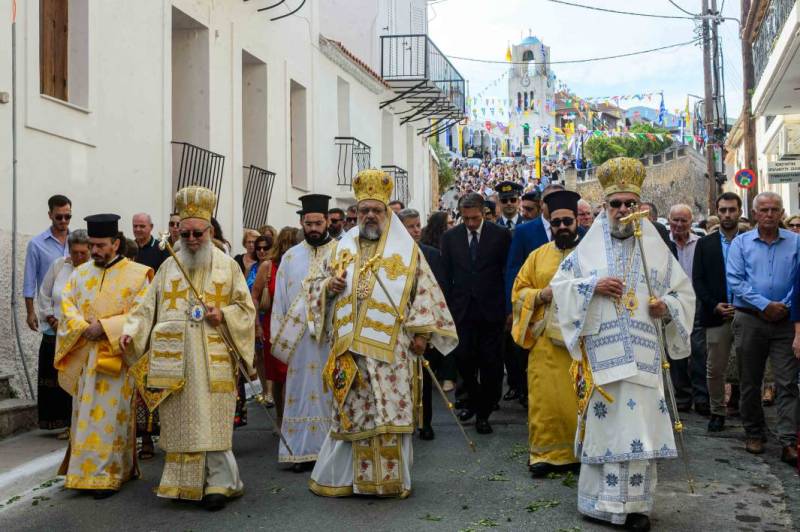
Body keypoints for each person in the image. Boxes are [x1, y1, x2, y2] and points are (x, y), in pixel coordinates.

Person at [551, 158, 696, 531]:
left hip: (645, 359)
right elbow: (560, 289)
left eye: (630, 203)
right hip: (603, 358)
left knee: (639, 430)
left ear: (640, 205)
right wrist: (592, 287)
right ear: (605, 207)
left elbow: (683, 293)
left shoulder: (655, 247)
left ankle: (636, 507)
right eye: (616, 204)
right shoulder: (586, 248)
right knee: (608, 429)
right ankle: (600, 504)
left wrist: (667, 306)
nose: (623, 211)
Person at [307, 169, 457, 497]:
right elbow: (314, 287)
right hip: (350, 351)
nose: (370, 215)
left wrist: (422, 335)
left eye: (377, 210)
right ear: (356, 214)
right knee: (355, 416)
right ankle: (350, 480)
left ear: (387, 213)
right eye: (364, 211)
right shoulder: (339, 250)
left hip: (393, 351)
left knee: (388, 414)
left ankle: (390, 481)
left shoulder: (407, 251)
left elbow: (424, 292)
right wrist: (327, 289)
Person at [120, 186, 256, 510]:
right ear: (177, 232)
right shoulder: (168, 268)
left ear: (210, 231)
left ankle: (221, 483)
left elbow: (246, 310)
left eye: (198, 233)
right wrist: (130, 331)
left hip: (213, 360)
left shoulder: (228, 267)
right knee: (181, 422)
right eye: (186, 233)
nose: (192, 240)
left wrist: (223, 314)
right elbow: (145, 307)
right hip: (175, 361)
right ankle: (183, 484)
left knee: (211, 420)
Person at [55, 214, 153, 499]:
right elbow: (67, 306)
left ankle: (108, 474)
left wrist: (107, 327)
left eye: (100, 245)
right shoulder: (80, 274)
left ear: (116, 243)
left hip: (114, 357)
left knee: (109, 419)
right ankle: (83, 472)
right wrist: (85, 328)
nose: (94, 251)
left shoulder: (137, 275)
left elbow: (142, 314)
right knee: (83, 416)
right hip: (85, 355)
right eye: (92, 245)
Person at [511, 190, 582, 477]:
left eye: (567, 221)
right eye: (556, 223)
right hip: (545, 343)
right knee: (544, 399)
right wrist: (541, 294)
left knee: (578, 399)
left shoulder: (589, 253)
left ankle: (580, 453)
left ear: (576, 220)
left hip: (580, 344)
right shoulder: (537, 257)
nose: (562, 227)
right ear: (549, 224)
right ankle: (544, 454)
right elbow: (518, 292)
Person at [728, 191, 799, 466]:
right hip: (750, 319)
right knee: (749, 381)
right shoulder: (741, 243)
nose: (769, 214)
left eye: (775, 209)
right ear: (755, 213)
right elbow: (735, 280)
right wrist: (764, 305)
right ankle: (754, 433)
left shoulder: (796, 243)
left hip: (786, 320)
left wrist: (784, 304)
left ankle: (788, 441)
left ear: (781, 213)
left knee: (787, 382)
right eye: (764, 210)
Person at [270, 194, 338, 472]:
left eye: (318, 223)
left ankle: (328, 452)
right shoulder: (290, 256)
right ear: (301, 222)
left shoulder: (340, 252)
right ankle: (298, 451)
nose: (313, 228)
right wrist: (278, 336)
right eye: (308, 223)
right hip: (298, 340)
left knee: (328, 393)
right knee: (297, 394)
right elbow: (281, 301)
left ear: (326, 222)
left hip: (328, 338)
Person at [441, 192, 511, 434]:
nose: (470, 223)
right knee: (465, 362)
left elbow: (506, 272)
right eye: (466, 218)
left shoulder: (500, 236)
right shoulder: (450, 238)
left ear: (484, 214)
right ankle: (473, 399)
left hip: (492, 312)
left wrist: (507, 309)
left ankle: (484, 412)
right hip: (462, 312)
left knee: (491, 364)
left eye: (475, 218)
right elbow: (446, 275)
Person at [504, 183, 566, 404]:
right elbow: (513, 270)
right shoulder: (524, 231)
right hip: (535, 312)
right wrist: (511, 308)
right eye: (550, 200)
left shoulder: (578, 233)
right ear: (542, 204)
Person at [692, 192, 742, 432]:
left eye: (732, 209)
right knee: (715, 368)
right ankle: (717, 412)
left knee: (750, 366)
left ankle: (748, 411)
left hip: (747, 313)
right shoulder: (705, 244)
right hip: (716, 313)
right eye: (723, 210)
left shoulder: (750, 241)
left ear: (739, 211)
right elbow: (698, 281)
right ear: (717, 212)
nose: (727, 214)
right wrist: (714, 305)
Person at [398, 208, 446, 440]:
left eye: (418, 225)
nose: (417, 230)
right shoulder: (392, 255)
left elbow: (440, 289)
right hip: (400, 323)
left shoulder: (432, 255)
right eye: (411, 226)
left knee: (425, 375)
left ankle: (425, 422)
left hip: (425, 322)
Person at [24, 195, 71, 430]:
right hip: (49, 313)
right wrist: (31, 312)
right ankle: (54, 419)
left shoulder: (77, 241)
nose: (64, 221)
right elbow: (29, 280)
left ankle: (70, 419)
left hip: (72, 316)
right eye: (59, 216)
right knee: (51, 367)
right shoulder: (36, 244)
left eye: (68, 216)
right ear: (50, 214)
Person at [37, 229, 90, 436]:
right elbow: (44, 293)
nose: (78, 257)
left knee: (74, 377)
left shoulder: (92, 271)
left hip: (77, 334)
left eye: (82, 253)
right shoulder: (59, 266)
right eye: (74, 252)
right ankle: (58, 421)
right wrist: (51, 318)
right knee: (54, 379)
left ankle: (74, 424)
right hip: (54, 331)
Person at [252, 227, 302, 432]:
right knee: (279, 377)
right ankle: (281, 419)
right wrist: (256, 324)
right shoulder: (268, 266)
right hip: (274, 325)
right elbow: (254, 295)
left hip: (298, 324)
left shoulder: (302, 263)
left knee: (295, 374)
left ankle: (296, 418)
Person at [131, 212, 169, 459]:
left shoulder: (162, 252)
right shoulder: (129, 251)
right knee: (138, 383)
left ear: (151, 227)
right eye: (135, 226)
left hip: (157, 323)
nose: (138, 230)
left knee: (157, 381)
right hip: (135, 323)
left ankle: (159, 435)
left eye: (142, 226)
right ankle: (142, 437)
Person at [668, 204, 708, 415]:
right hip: (673, 304)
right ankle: (682, 397)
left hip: (697, 303)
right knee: (677, 352)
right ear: (669, 220)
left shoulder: (701, 244)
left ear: (691, 223)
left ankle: (702, 398)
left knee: (699, 351)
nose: (679, 225)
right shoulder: (663, 244)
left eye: (684, 220)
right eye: (675, 220)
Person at [420, 211, 457, 392]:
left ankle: (448, 375)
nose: (452, 225)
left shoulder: (450, 241)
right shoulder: (428, 248)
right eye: (449, 223)